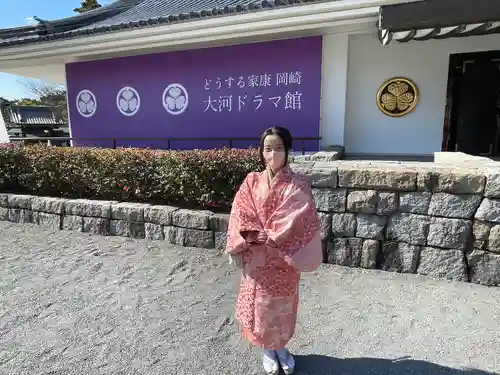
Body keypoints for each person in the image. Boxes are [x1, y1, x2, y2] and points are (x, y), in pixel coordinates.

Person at [226, 126, 323, 374]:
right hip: (256, 256)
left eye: (278, 148)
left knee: (281, 305)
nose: (273, 154)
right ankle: (266, 349)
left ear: (287, 151)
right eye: (267, 149)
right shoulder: (251, 181)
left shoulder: (298, 184)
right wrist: (249, 239)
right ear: (261, 152)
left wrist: (270, 236)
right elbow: (241, 212)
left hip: (283, 258)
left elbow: (301, 217)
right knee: (259, 306)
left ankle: (281, 347)